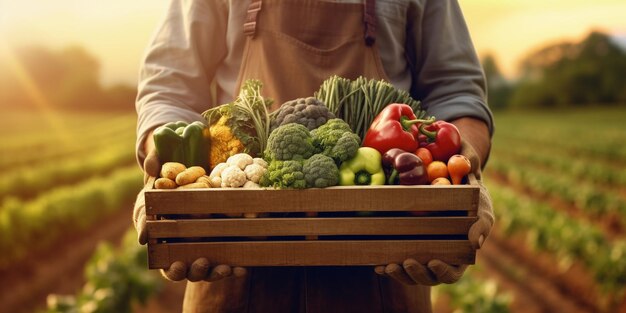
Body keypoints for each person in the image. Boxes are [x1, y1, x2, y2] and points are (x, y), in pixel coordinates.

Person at [133, 0, 494, 312]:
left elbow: (456, 89)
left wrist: (464, 168)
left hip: (390, 251)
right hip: (231, 246)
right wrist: (162, 167)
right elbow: (169, 88)